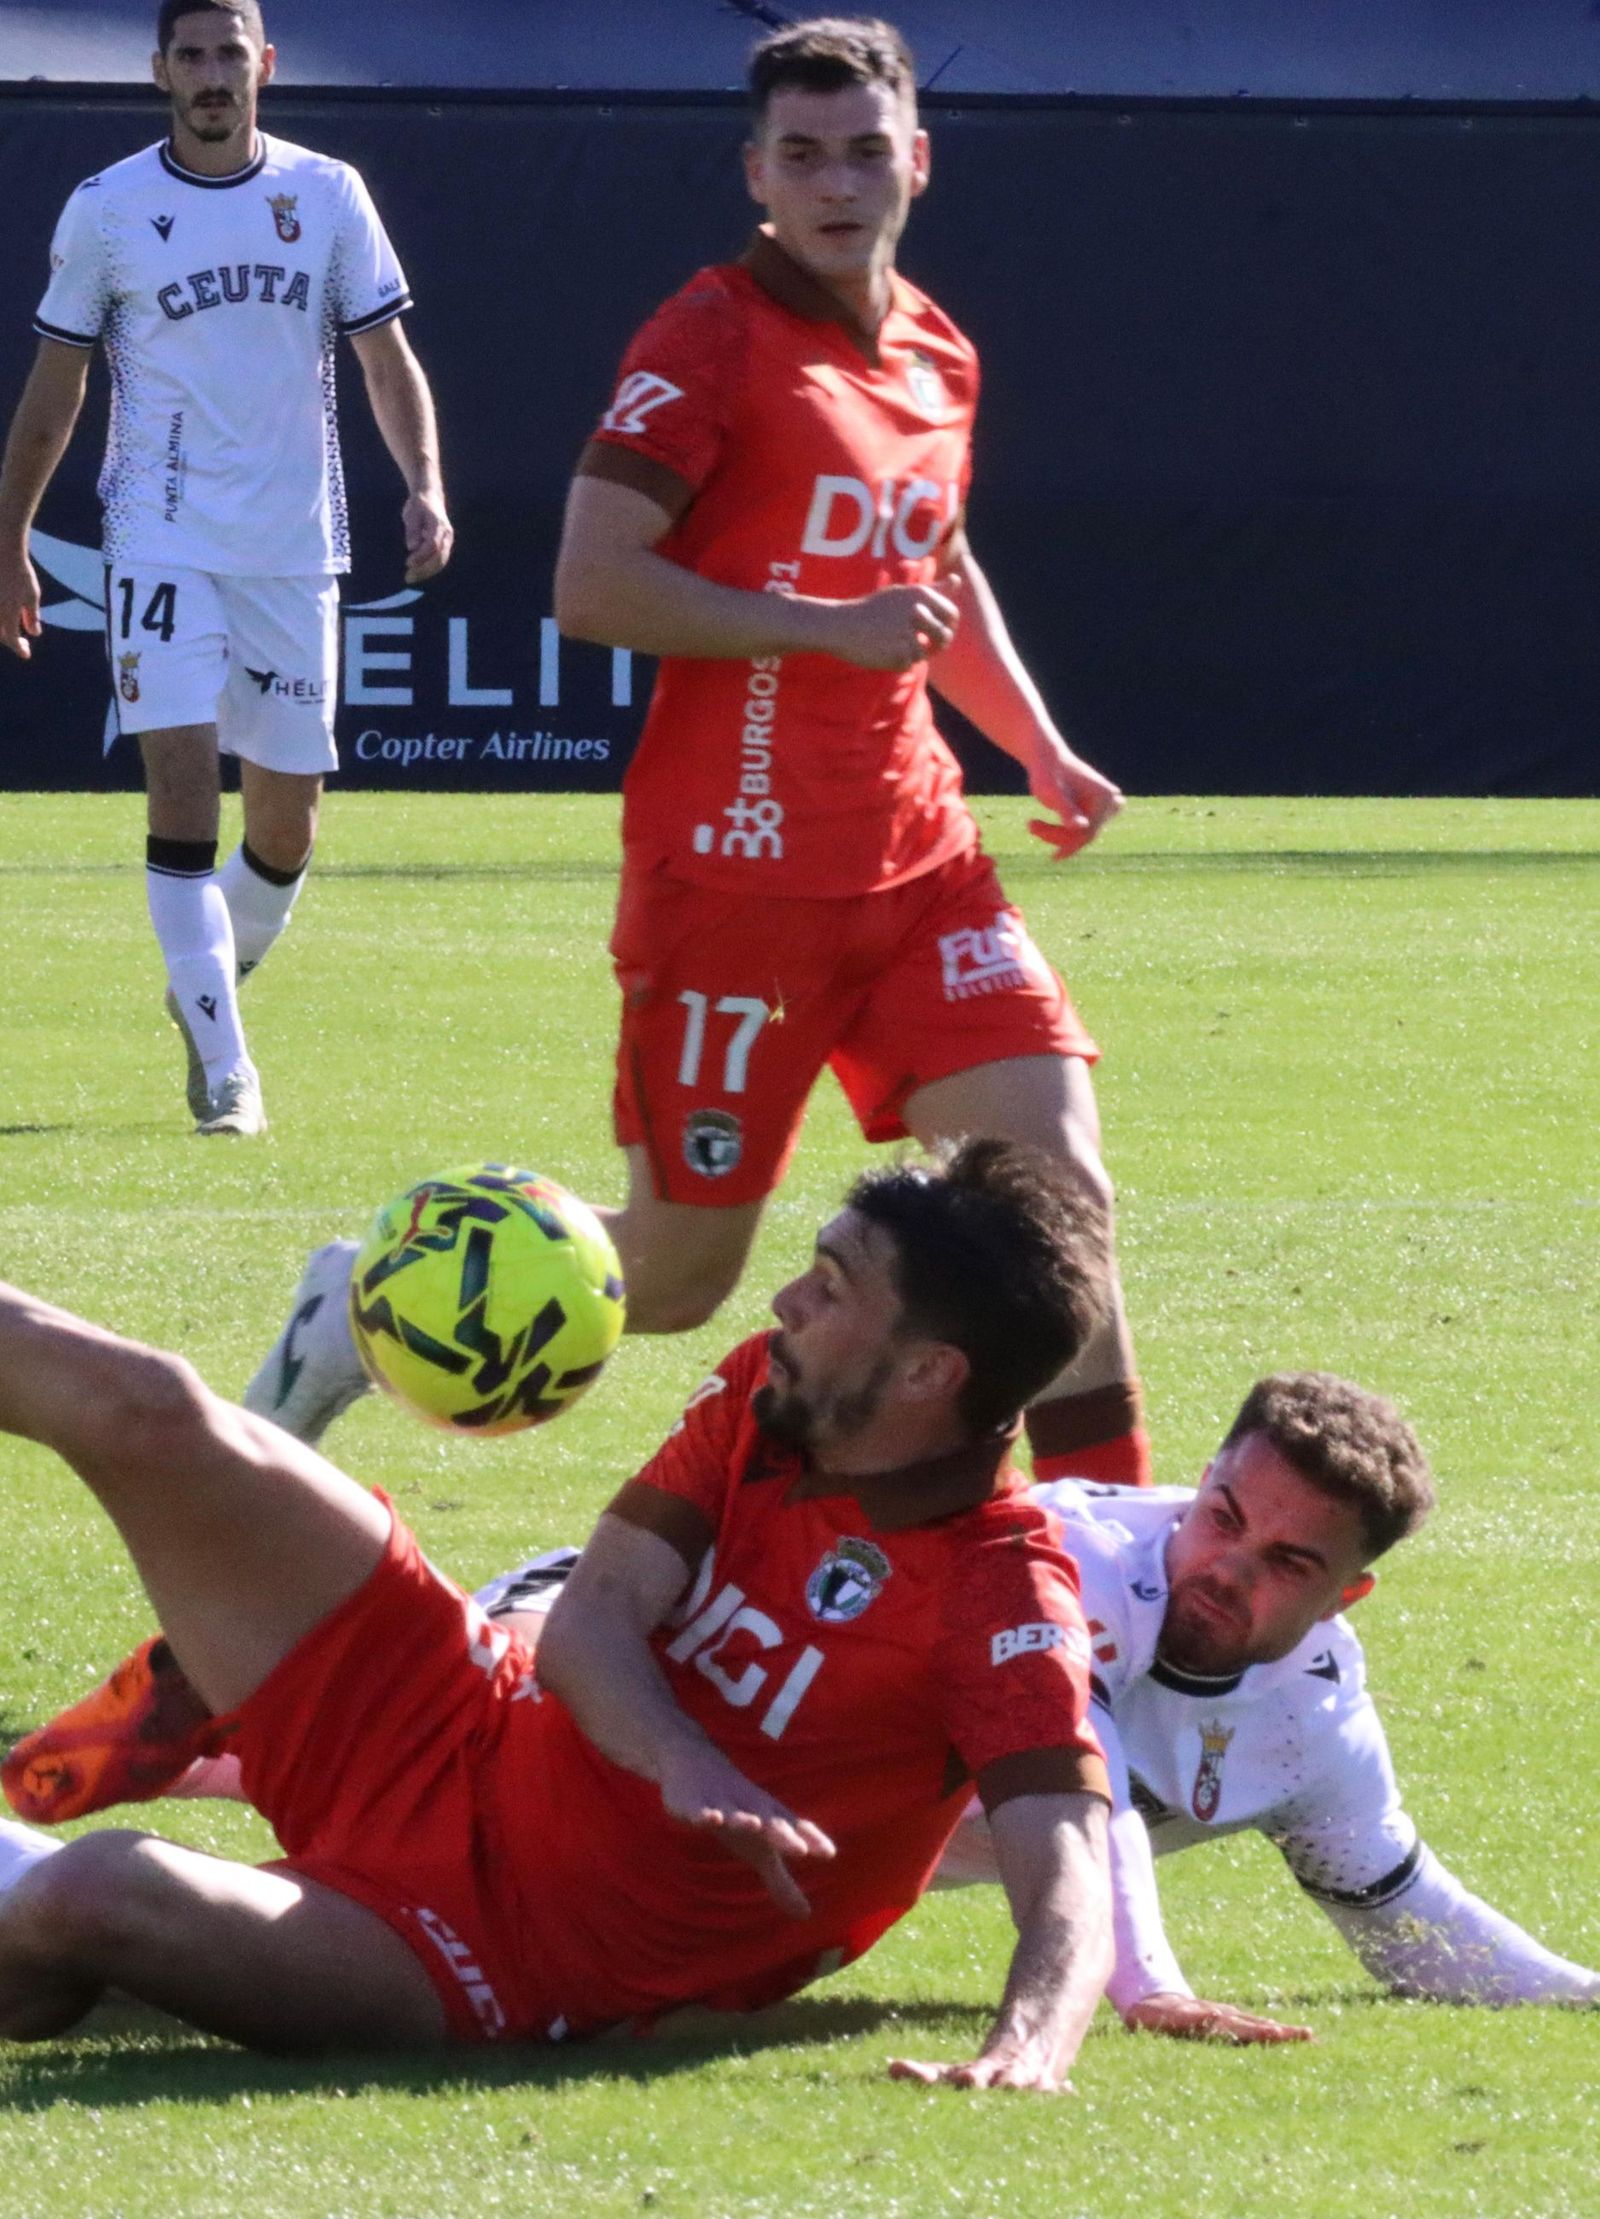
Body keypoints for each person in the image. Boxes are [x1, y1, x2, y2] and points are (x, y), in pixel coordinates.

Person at [242, 15, 1147, 1480]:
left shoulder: (938, 349)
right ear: (756, 173)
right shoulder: (709, 338)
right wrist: (822, 627)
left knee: (1058, 1214)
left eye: (865, 152)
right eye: (804, 154)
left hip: (921, 869)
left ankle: (1114, 1584)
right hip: (737, 884)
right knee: (668, 1279)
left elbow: (937, 562)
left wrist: (1034, 744)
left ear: (918, 160)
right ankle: (357, 1303)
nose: (838, 183)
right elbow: (592, 584)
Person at [0, 1140, 1116, 2087]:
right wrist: (682, 1759)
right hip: (459, 1719)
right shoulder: (771, 1395)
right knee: (151, 1406)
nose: (786, 1300)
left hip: (502, 1959)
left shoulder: (999, 1590)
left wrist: (1030, 2046)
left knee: (96, 1888)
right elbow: (594, 1615)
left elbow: (1066, 1855)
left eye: (831, 1287)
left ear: (927, 1372)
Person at [0, 0, 452, 1135]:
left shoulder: (328, 193)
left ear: (266, 64)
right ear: (159, 70)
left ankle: (201, 984)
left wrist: (425, 483)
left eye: (230, 53)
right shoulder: (109, 207)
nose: (213, 73)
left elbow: (385, 359)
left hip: (293, 549)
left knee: (288, 830)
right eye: (192, 55)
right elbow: (58, 388)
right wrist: (9, 535)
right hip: (160, 540)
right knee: (184, 792)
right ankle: (224, 1068)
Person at [933, 1376, 1600, 2034]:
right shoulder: (1067, 1561)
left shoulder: (1311, 1713)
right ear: (1201, 1485)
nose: (1228, 1571)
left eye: (1288, 1562)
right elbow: (1086, 1799)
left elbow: (1409, 1924)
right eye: (1223, 1519)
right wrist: (1154, 1989)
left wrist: (1584, 1992)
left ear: (1343, 1597)